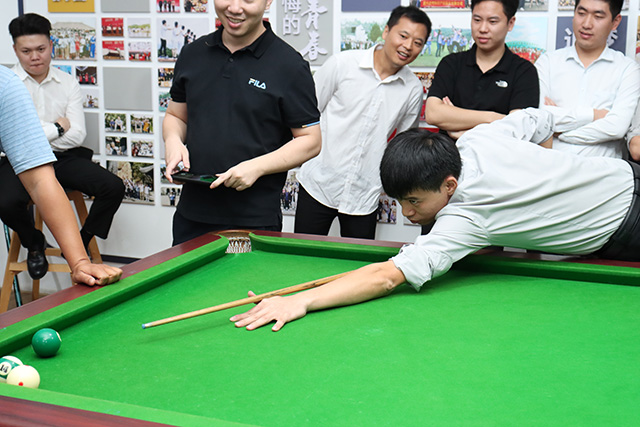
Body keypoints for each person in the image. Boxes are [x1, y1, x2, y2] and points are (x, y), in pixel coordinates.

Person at [229, 109, 639, 331]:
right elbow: (537, 118)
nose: (407, 214)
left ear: (449, 184)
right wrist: (590, 117)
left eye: (413, 202)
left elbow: (387, 277)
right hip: (628, 175)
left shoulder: (466, 218)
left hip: (630, 229)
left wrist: (300, 301)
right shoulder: (478, 138)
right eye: (399, 201)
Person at [163, 0, 321, 245]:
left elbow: (311, 140)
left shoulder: (289, 65)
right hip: (191, 214)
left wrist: (256, 167)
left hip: (254, 220)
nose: (235, 8)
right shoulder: (193, 53)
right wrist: (173, 141)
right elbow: (176, 115)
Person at [3, 13, 124, 279]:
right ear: (15, 50)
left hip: (63, 157)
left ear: (51, 45)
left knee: (113, 187)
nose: (35, 57)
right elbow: (16, 141)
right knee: (5, 201)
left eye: (41, 49)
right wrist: (57, 128)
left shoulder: (66, 81)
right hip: (14, 159)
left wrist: (32, 133)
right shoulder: (9, 83)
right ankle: (34, 243)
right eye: (26, 51)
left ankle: (80, 242)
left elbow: (77, 135)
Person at [293, 6, 431, 240]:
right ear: (386, 31)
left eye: (418, 42)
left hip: (364, 194)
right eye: (403, 36)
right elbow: (308, 115)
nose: (408, 46)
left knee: (358, 259)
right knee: (301, 255)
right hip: (318, 183)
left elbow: (401, 144)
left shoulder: (413, 89)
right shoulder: (342, 64)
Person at [535, 0, 640, 158]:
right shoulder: (547, 63)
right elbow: (537, 117)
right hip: (551, 167)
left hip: (603, 170)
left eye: (598, 16)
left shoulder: (627, 70)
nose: (586, 24)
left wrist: (560, 132)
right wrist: (593, 115)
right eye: (581, 13)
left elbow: (616, 127)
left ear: (615, 22)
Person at [424, 0, 539, 139]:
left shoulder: (524, 72)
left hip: (497, 152)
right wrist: (493, 117)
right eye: (477, 20)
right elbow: (433, 114)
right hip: (448, 152)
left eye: (492, 21)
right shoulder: (451, 64)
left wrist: (461, 128)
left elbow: (518, 129)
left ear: (510, 23)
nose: (483, 29)